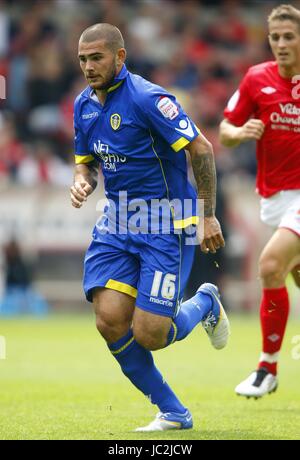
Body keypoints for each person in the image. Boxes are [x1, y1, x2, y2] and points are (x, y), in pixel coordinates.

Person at [71, 23, 230, 432]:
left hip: (165, 222)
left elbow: (201, 147)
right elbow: (88, 162)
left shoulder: (147, 99)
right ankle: (173, 411)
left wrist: (207, 214)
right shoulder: (83, 105)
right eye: (83, 59)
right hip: (117, 222)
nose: (88, 67)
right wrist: (83, 181)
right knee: (108, 319)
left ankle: (205, 302)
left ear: (120, 57)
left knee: (152, 333)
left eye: (97, 58)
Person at [220, 4, 300, 399]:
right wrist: (241, 130)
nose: (281, 44)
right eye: (275, 37)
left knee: (269, 265)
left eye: (289, 36)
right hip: (274, 199)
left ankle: (266, 368)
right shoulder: (257, 78)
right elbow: (224, 130)